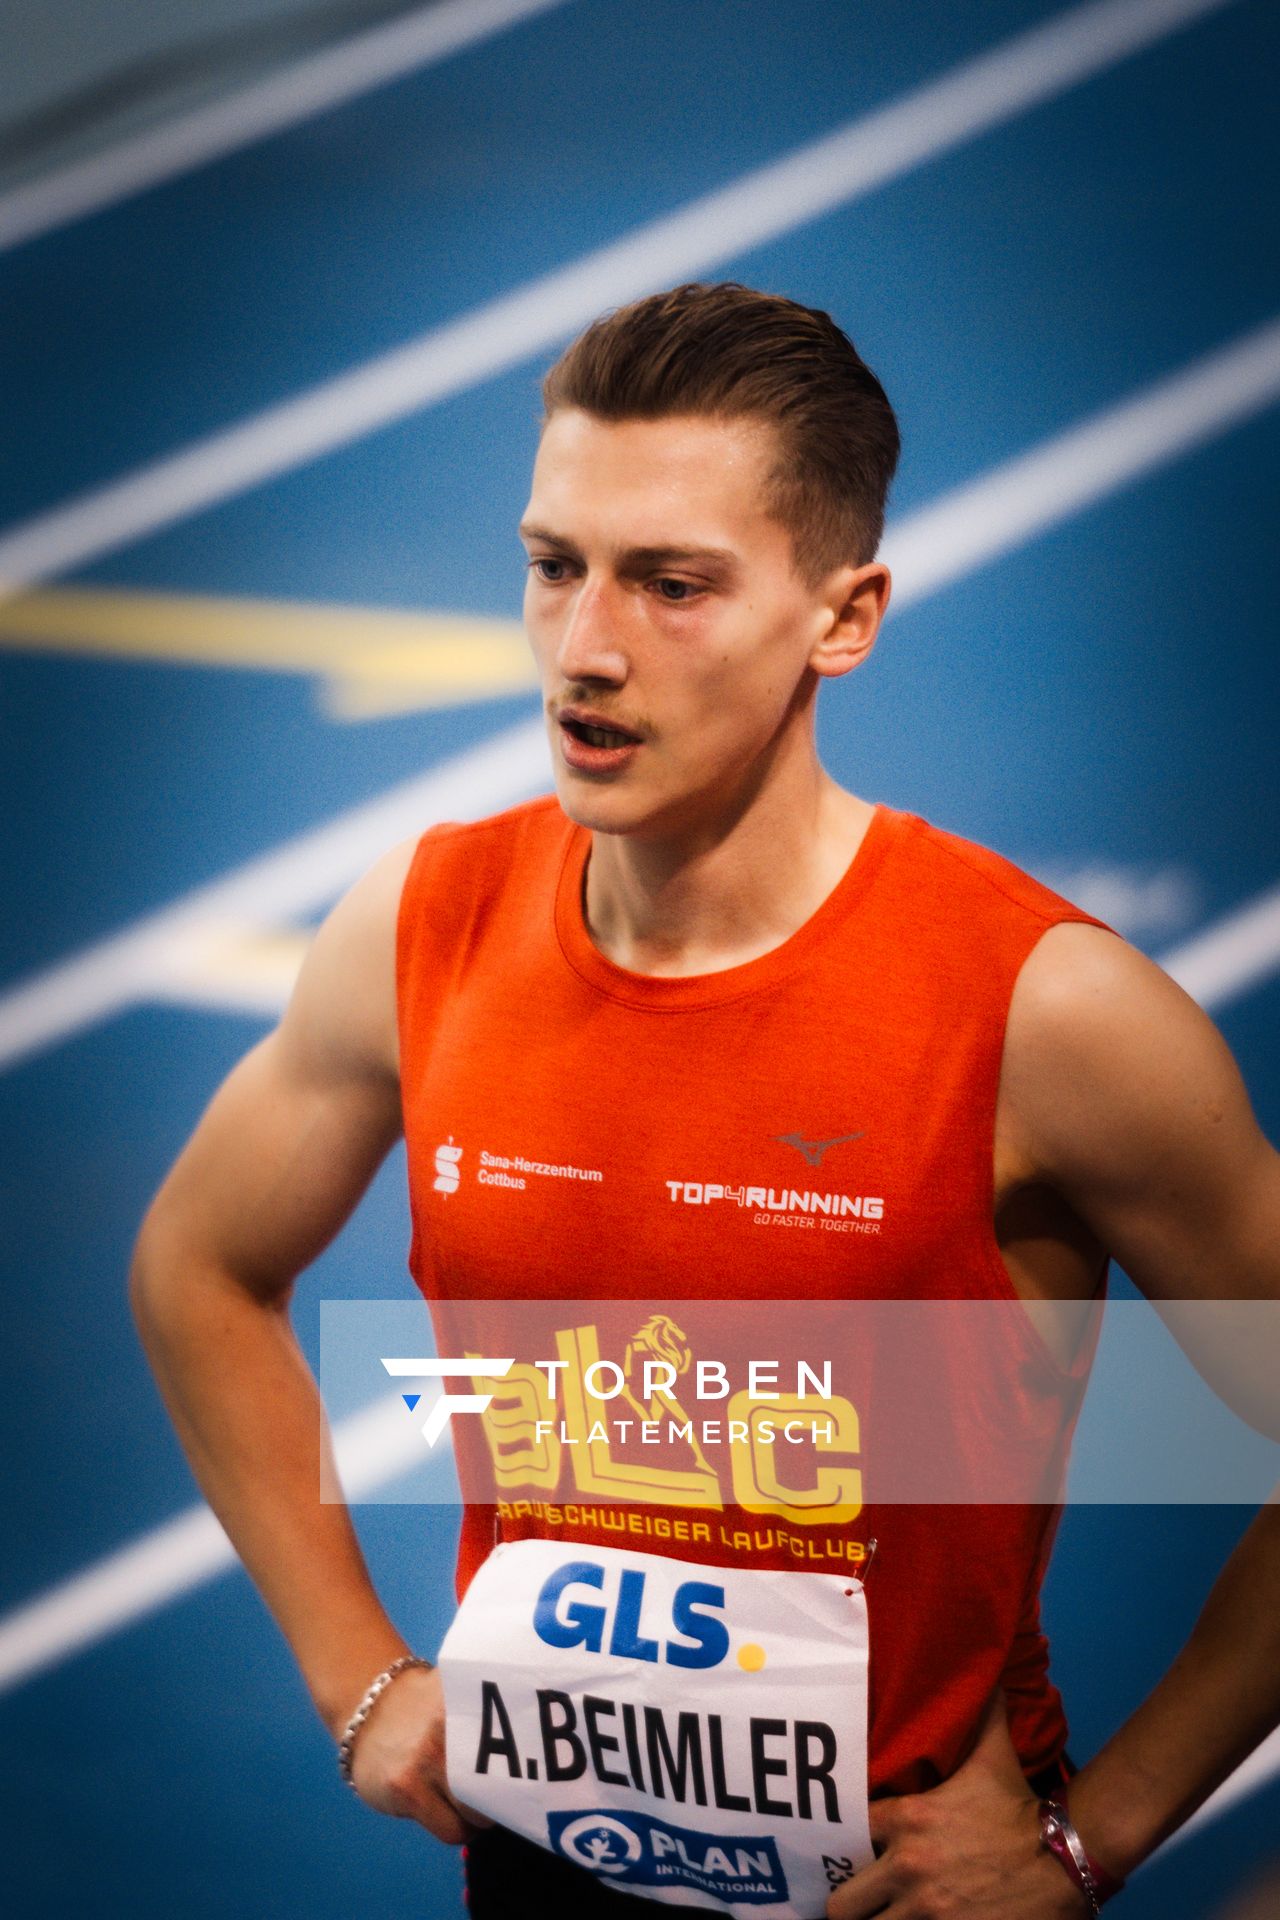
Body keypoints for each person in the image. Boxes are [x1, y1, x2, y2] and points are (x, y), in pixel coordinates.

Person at [130, 282, 1280, 1919]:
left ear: (845, 614)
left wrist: (1101, 1835)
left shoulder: (1049, 1017)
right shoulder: (420, 928)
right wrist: (358, 1678)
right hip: (541, 1875)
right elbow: (197, 1269)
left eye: (671, 585)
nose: (586, 649)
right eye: (553, 567)